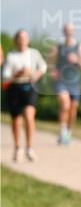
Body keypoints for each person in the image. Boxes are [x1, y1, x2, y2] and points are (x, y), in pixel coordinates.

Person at [2, 29, 47, 162]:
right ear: (16, 40)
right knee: (16, 119)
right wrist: (18, 73)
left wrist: (35, 75)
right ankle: (17, 148)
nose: (22, 41)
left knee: (29, 115)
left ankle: (29, 147)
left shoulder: (34, 54)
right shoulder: (11, 56)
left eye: (25, 38)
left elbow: (43, 67)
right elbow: (5, 76)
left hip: (29, 87)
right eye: (20, 38)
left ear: (28, 40)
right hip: (15, 87)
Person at [49, 22, 81, 145]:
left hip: (74, 83)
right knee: (64, 105)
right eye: (66, 30)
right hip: (61, 82)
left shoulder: (80, 47)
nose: (68, 32)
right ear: (63, 32)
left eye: (70, 30)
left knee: (73, 109)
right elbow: (49, 62)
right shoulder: (58, 47)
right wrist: (52, 71)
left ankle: (68, 131)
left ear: (73, 32)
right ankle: (62, 132)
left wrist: (77, 60)